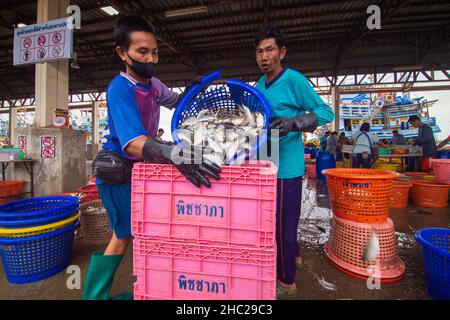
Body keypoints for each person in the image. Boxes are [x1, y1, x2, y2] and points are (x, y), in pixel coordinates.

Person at [83, 16, 220, 300]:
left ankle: (151, 286)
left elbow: (176, 102)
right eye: (142, 52)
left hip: (140, 170)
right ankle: (94, 296)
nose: (151, 57)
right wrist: (174, 153)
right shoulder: (120, 88)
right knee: (122, 235)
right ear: (123, 53)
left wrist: (193, 91)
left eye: (154, 51)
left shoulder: (154, 84)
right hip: (118, 170)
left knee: (141, 230)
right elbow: (133, 144)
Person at [254, 27, 334, 297]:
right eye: (259, 51)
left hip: (286, 168)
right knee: (271, 223)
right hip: (265, 165)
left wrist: (296, 122)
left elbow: (325, 112)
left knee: (283, 227)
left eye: (270, 50)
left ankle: (287, 281)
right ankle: (295, 256)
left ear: (282, 52)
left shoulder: (294, 80)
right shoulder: (259, 84)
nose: (264, 56)